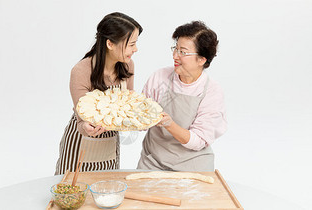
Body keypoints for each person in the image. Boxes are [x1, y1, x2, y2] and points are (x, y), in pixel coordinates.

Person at [55, 12, 142, 175]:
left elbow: (129, 103)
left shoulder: (127, 66)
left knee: (105, 192)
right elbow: (82, 117)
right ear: (110, 44)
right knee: (71, 193)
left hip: (109, 146)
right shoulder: (81, 70)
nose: (135, 49)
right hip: (81, 144)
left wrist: (141, 117)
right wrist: (86, 127)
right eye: (131, 44)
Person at [137, 21, 227, 171]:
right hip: (153, 162)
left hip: (193, 166)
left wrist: (169, 125)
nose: (175, 56)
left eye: (183, 52)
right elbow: (140, 119)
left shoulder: (212, 92)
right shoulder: (160, 77)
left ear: (202, 59)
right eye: (175, 49)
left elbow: (198, 141)